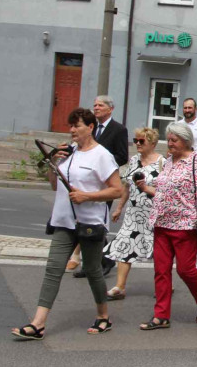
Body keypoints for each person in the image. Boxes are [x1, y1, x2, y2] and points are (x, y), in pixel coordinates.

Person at [12, 107, 124, 340]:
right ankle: (38, 323)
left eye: (77, 126)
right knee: (53, 269)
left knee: (93, 270)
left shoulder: (102, 155)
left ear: (91, 127)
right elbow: (55, 184)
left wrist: (87, 196)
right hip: (63, 221)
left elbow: (116, 189)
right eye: (70, 125)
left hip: (90, 222)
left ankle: (103, 316)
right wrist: (53, 161)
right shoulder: (68, 152)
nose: (72, 130)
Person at [139, 122, 197, 330]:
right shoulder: (168, 162)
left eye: (174, 140)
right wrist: (146, 188)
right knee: (161, 270)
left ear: (186, 141)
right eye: (169, 139)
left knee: (185, 269)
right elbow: (163, 192)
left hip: (185, 224)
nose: (169, 143)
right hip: (162, 223)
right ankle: (161, 315)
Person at [68, 94, 128, 278]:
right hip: (87, 183)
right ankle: (90, 264)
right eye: (94, 105)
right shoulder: (90, 127)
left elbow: (122, 155)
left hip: (106, 183)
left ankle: (105, 259)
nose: (96, 108)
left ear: (110, 109)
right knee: (83, 222)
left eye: (100, 105)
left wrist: (102, 165)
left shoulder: (118, 129)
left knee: (96, 223)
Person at [104, 127, 164, 300]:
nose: (137, 144)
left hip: (153, 214)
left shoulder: (163, 162)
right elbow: (126, 186)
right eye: (135, 140)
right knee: (124, 246)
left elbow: (166, 190)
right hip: (133, 214)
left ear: (152, 143)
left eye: (141, 141)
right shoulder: (134, 160)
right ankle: (119, 287)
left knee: (158, 252)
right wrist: (119, 208)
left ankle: (164, 284)